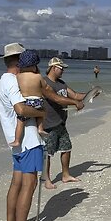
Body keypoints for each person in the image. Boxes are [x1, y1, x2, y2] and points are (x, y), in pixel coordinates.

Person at [0, 44, 47, 221]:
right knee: (30, 183)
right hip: (28, 140)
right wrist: (42, 113)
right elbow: (21, 110)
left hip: (15, 141)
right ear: (20, 61)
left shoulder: (3, 80)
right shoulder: (11, 81)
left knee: (16, 183)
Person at [41, 57, 82, 190]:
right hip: (49, 124)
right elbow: (57, 99)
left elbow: (75, 95)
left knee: (66, 148)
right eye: (61, 68)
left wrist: (92, 93)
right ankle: (46, 179)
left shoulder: (61, 83)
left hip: (61, 123)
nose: (63, 70)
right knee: (48, 153)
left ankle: (65, 175)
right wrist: (75, 103)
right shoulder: (44, 82)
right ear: (54, 68)